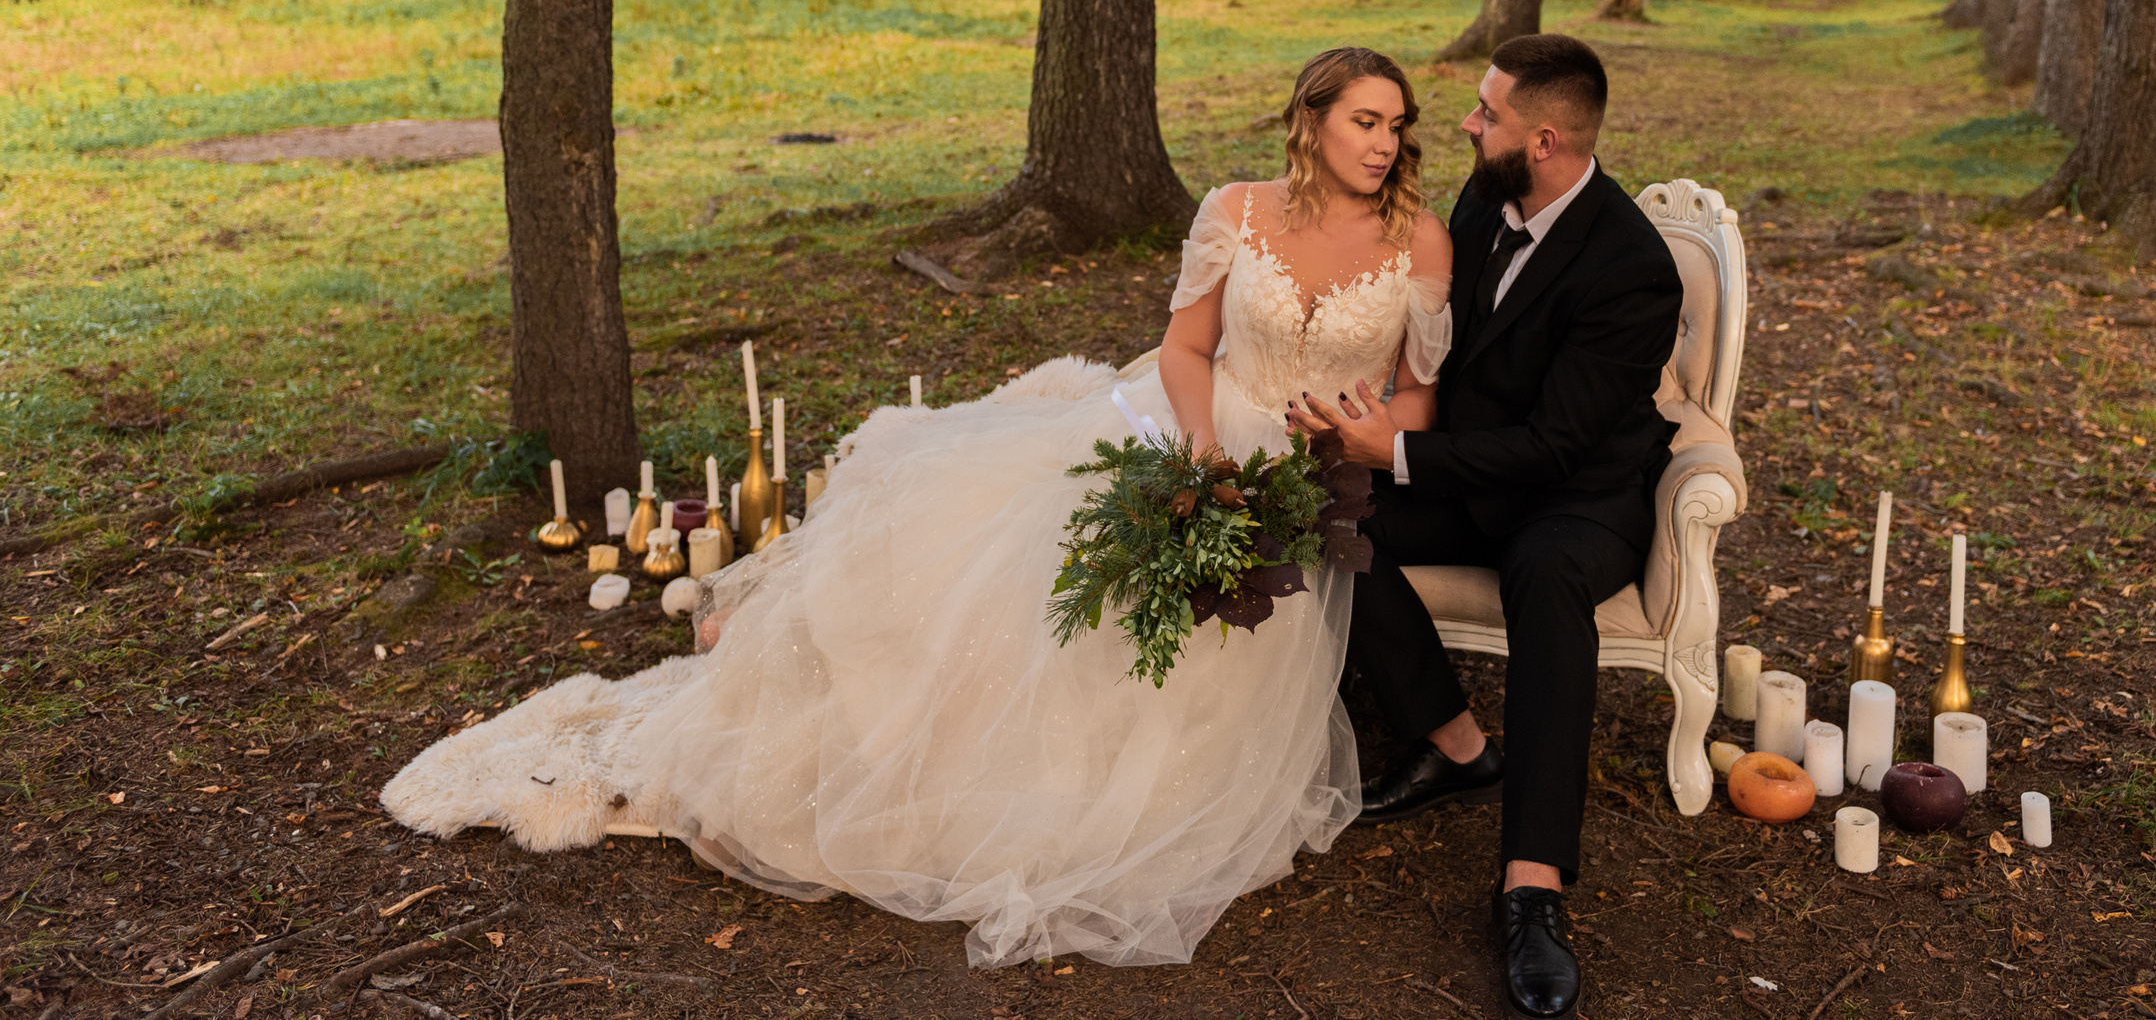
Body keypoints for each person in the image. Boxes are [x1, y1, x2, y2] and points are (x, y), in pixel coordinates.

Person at [379, 47, 1453, 969]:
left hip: (1311, 470)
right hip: (1193, 424)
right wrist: (1203, 449)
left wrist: (1357, 431)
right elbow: (1182, 344)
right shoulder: (1235, 210)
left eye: (1395, 126)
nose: (1382, 142)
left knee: (1195, 653)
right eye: (1363, 120)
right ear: (1308, 123)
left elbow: (1417, 396)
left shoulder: (1422, 239)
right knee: (1003, 572)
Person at [1292, 34, 1682, 1020]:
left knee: (1546, 575)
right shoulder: (1483, 198)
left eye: (1486, 112)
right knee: (1332, 507)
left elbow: (1555, 444)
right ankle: (1457, 746)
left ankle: (1531, 885)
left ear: (1541, 138)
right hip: (1468, 468)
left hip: (1578, 496)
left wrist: (1402, 454)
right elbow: (1434, 343)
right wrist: (1360, 421)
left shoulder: (1631, 265)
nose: (1466, 122)